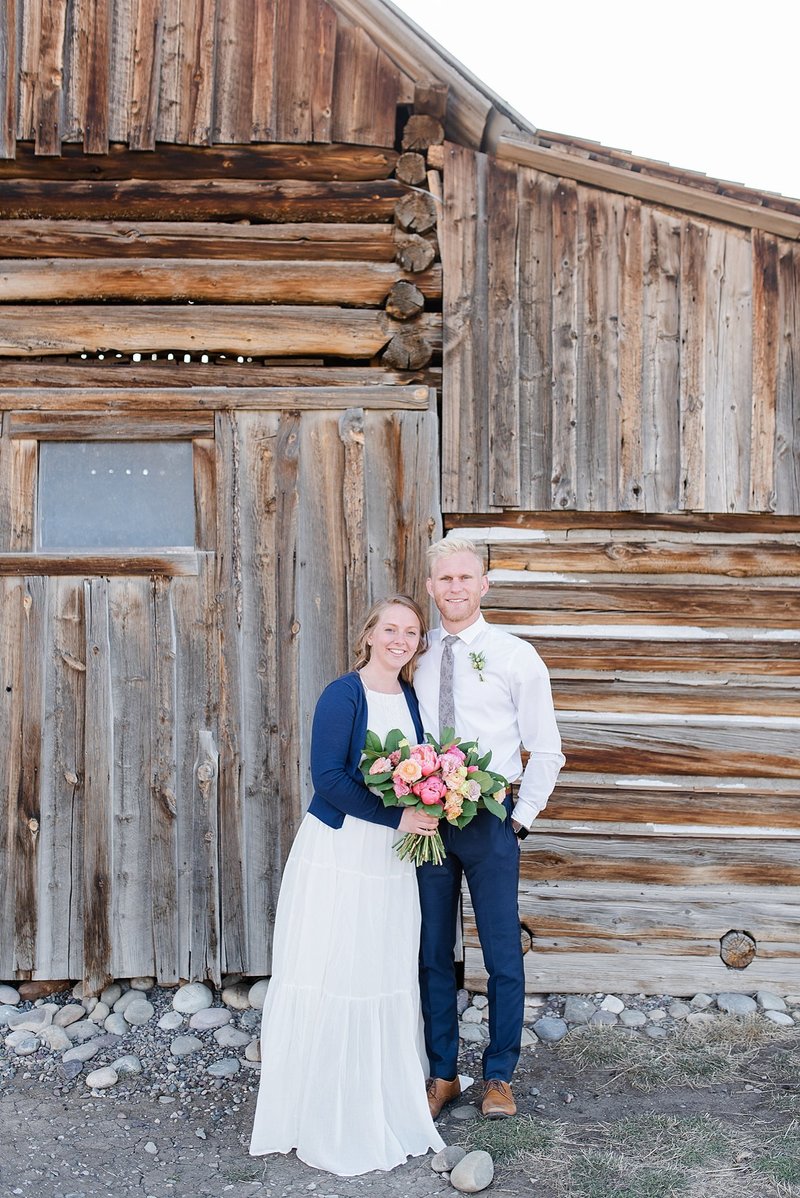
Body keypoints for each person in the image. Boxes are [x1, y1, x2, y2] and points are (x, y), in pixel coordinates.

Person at [249, 595, 445, 1175]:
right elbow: (328, 778)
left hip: (391, 859)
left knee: (381, 967)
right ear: (368, 634)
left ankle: (378, 1098)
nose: (401, 640)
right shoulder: (344, 694)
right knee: (334, 968)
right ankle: (321, 1111)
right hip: (341, 851)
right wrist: (401, 817)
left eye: (411, 632)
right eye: (391, 629)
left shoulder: (410, 697)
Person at [413, 536, 565, 1120]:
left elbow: (545, 749)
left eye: (465, 578)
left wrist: (519, 821)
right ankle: (442, 1073)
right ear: (431, 587)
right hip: (427, 822)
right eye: (444, 579)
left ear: (484, 585)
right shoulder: (415, 653)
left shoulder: (514, 655)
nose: (454, 588)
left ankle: (499, 1075)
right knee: (432, 949)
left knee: (502, 952)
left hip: (490, 819)